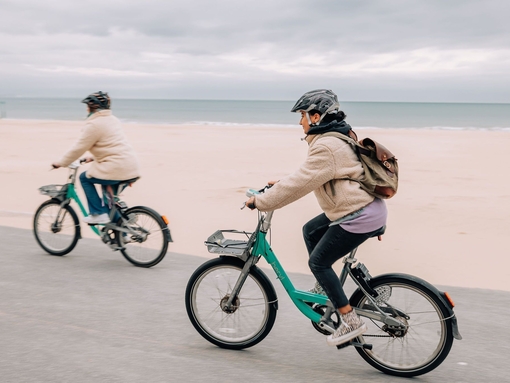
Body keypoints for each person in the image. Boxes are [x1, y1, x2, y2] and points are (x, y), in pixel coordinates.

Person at [245, 89, 387, 346]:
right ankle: (326, 289)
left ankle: (350, 320)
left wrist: (261, 201)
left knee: (318, 263)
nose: (300, 122)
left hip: (358, 214)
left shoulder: (326, 146)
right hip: (363, 208)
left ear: (316, 116)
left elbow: (301, 183)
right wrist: (281, 183)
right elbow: (309, 175)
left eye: (302, 115)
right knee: (311, 230)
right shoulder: (337, 137)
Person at [52, 91, 141, 224]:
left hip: (115, 168)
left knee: (84, 178)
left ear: (91, 107)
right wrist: (93, 158)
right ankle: (122, 236)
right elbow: (112, 144)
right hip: (130, 166)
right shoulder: (113, 120)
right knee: (109, 203)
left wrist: (61, 162)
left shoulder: (94, 124)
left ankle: (97, 213)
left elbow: (79, 148)